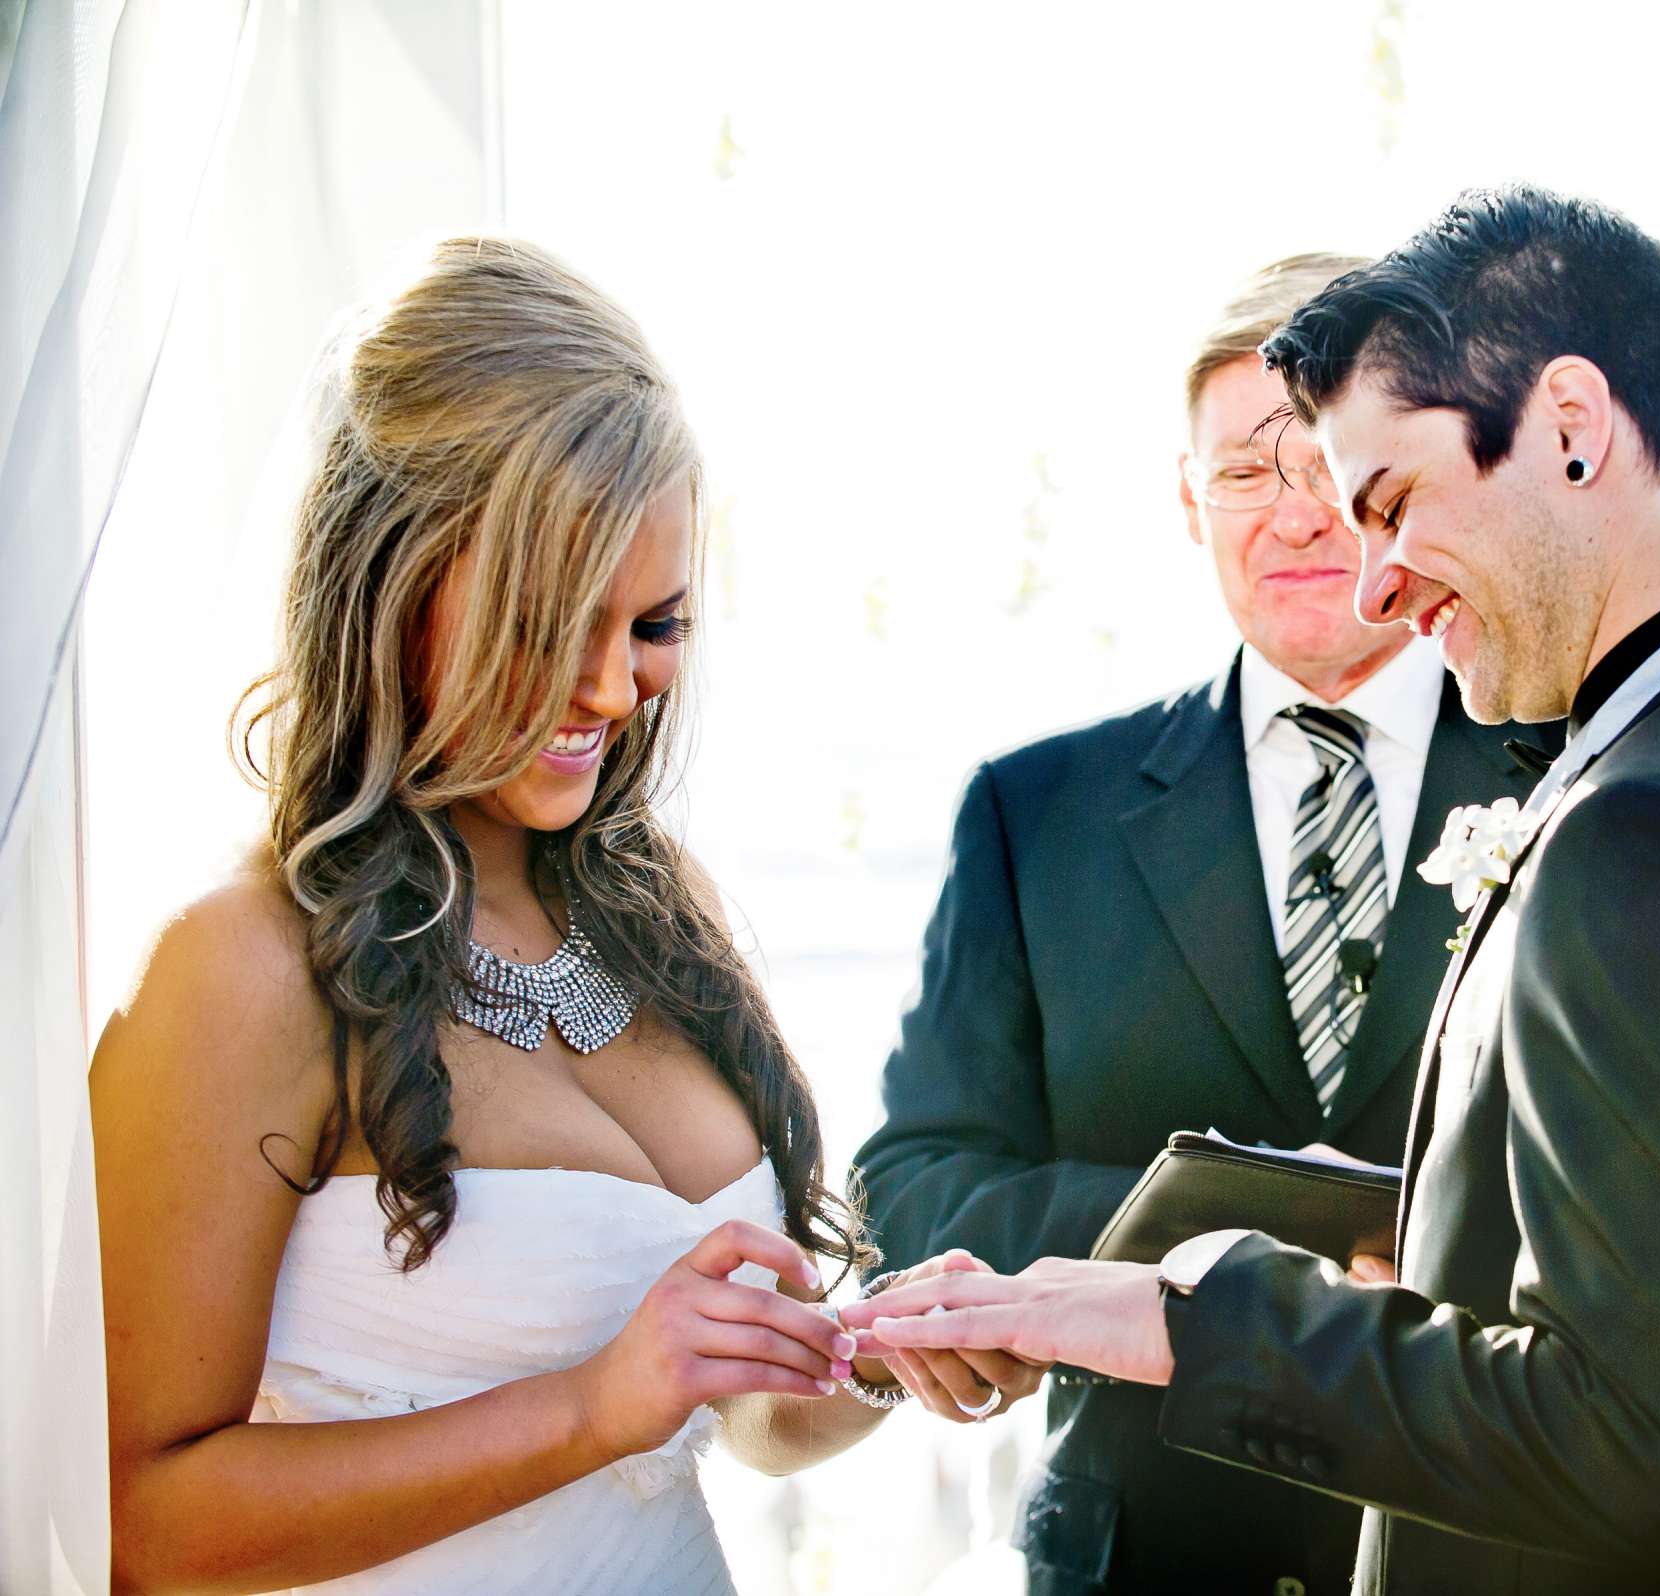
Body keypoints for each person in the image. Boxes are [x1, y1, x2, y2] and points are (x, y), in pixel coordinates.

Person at [849, 185, 1660, 1596]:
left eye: (1392, 502)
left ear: (1573, 430)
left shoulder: (1648, 827)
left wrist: (1200, 1312)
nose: (1377, 575)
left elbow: (1638, 1445)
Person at [89, 238, 1040, 1595]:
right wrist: (593, 1405)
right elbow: (142, 1527)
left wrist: (879, 1357)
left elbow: (742, 1425)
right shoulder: (242, 971)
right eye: (549, 628)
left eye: (655, 625)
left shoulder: (663, 908)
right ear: (386, 585)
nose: (607, 690)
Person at [852, 254, 1549, 1595]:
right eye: (1244, 472)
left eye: (1328, 472)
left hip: (1475, 1546)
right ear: (1185, 500)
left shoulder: (1562, 775)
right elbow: (913, 1189)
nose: (1294, 520)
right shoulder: (1033, 813)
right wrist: (1206, 1241)